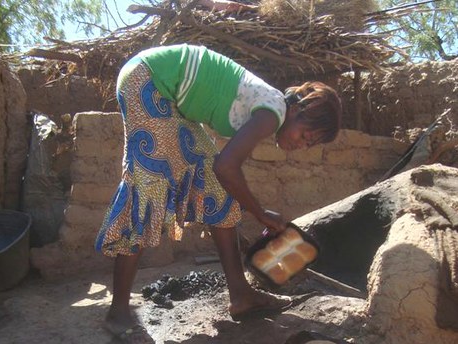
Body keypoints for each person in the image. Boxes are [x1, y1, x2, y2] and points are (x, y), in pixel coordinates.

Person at [95, 43, 342, 343]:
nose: (302, 145)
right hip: (149, 80)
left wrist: (248, 210)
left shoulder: (268, 106)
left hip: (168, 95)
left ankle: (240, 296)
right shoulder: (273, 111)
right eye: (305, 135)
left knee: (218, 194)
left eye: (309, 144)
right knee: (147, 190)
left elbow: (223, 173)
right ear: (299, 110)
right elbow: (227, 166)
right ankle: (118, 310)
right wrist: (260, 212)